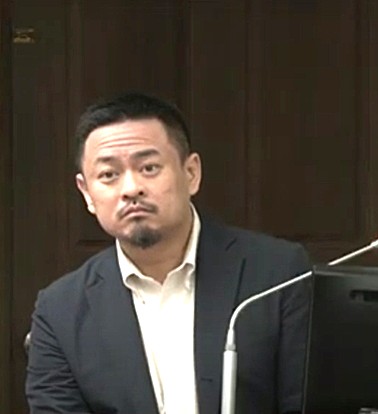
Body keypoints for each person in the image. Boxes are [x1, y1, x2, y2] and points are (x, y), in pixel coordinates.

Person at [25, 93, 311, 414]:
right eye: (108, 175)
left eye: (149, 168)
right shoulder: (60, 310)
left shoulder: (279, 273)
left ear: (191, 173)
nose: (131, 189)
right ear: (87, 193)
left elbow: (308, 401)